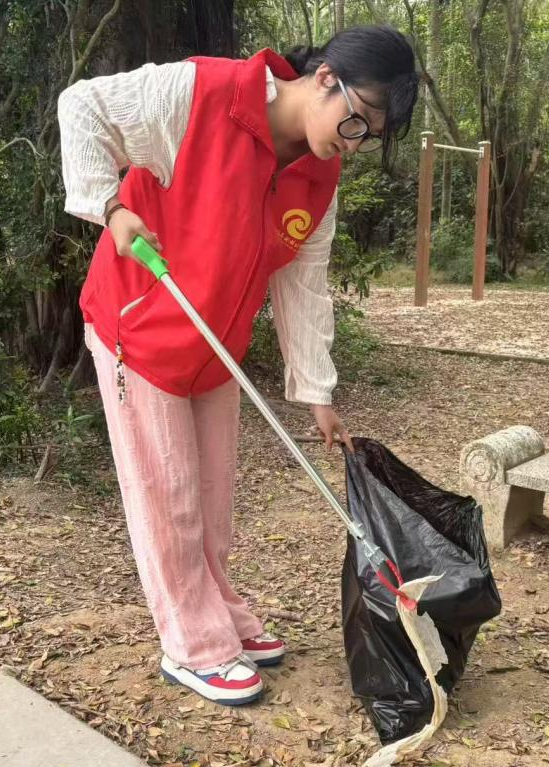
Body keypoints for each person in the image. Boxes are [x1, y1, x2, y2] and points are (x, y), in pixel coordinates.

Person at [57, 24, 418, 706]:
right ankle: (191, 644)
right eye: (357, 121)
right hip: (142, 330)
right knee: (168, 497)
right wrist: (110, 206)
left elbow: (303, 283)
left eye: (369, 135)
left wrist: (317, 392)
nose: (354, 142)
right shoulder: (201, 93)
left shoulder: (320, 174)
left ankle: (217, 608)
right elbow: (81, 105)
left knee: (212, 499)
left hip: (215, 347)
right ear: (325, 78)